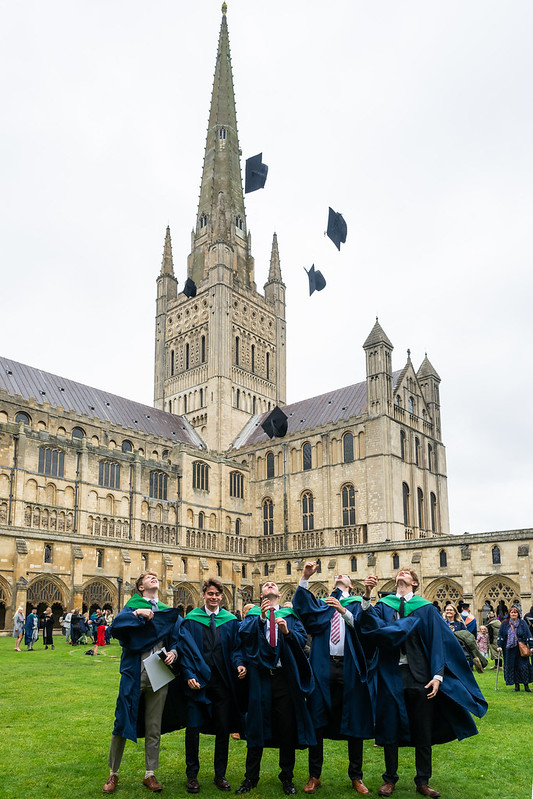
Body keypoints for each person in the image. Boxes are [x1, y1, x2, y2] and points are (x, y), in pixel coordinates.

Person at [361, 570, 487, 798]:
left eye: (406, 573)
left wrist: (438, 676)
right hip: (390, 673)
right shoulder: (383, 606)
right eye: (399, 572)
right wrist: (367, 594)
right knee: (390, 726)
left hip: (419, 675)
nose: (401, 574)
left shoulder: (426, 608)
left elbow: (439, 642)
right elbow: (369, 625)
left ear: (415, 583)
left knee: (423, 727)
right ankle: (389, 779)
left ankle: (422, 780)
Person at [102, 570, 202, 794]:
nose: (154, 578)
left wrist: (174, 653)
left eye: (155, 577)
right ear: (140, 587)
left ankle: (150, 774)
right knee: (121, 721)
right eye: (148, 577)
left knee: (153, 726)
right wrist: (138, 613)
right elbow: (116, 627)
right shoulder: (132, 606)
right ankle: (113, 774)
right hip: (135, 670)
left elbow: (177, 639)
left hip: (158, 670)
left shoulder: (167, 611)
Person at [292, 562, 373, 795]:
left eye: (345, 576)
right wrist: (305, 577)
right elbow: (302, 609)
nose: (340, 576)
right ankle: (314, 776)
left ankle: (356, 777)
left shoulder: (357, 605)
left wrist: (344, 610)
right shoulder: (321, 605)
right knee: (317, 719)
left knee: (354, 720)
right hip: (323, 666)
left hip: (349, 668)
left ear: (350, 585)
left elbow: (367, 627)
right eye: (337, 576)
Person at [236, 580, 316, 796]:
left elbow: (301, 640)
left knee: (286, 728)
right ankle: (250, 778)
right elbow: (243, 635)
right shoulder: (253, 616)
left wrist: (287, 631)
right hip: (260, 677)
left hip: (283, 679)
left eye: (273, 585)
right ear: (261, 594)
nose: (270, 585)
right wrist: (263, 619)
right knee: (255, 727)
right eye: (266, 585)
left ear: (279, 593)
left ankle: (286, 778)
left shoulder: (290, 616)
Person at [180, 577, 246, 793]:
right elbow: (185, 651)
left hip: (222, 683)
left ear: (221, 596)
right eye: (210, 594)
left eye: (217, 594)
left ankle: (220, 774)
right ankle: (192, 776)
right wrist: (188, 673)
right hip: (197, 683)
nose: (214, 597)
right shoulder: (191, 620)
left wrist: (239, 664)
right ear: (204, 595)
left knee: (223, 729)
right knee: (193, 728)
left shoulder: (230, 621)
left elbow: (237, 648)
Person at [497, 607, 533, 692]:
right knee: (513, 667)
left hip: (521, 648)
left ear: (518, 614)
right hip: (509, 650)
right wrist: (499, 645)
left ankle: (526, 686)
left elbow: (528, 634)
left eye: (515, 613)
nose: (513, 614)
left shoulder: (522, 623)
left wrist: (531, 646)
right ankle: (516, 686)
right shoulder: (504, 623)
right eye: (512, 612)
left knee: (524, 667)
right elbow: (500, 635)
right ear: (509, 614)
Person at [442, 604, 485, 673]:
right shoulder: (442, 623)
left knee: (461, 671)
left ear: (455, 612)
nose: (448, 611)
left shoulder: (460, 623)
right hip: (446, 650)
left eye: (451, 610)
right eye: (447, 610)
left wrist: (454, 631)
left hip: (459, 650)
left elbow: (465, 636)